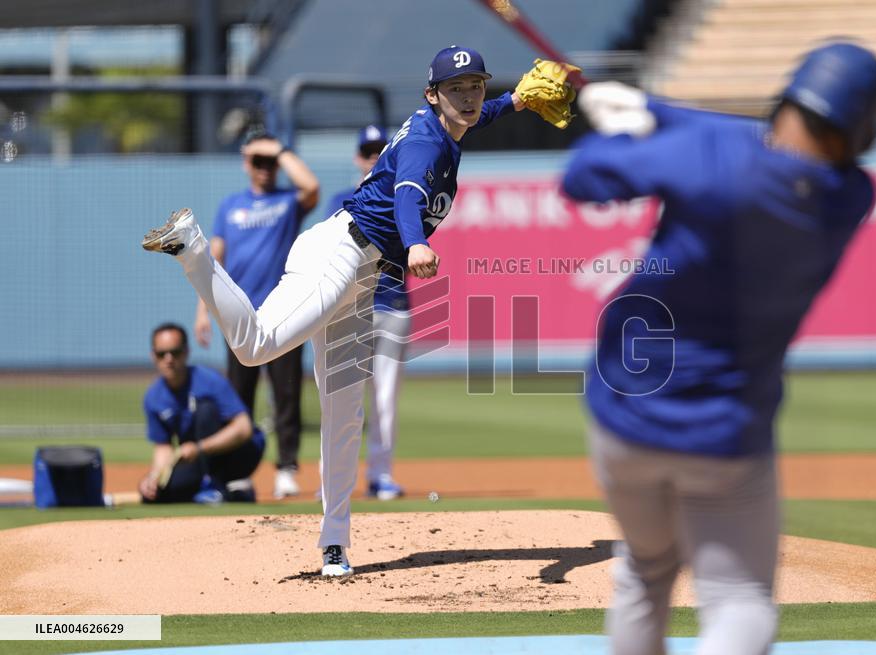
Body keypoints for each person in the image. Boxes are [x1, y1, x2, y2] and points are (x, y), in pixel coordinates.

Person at [142, 47, 577, 577]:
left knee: (346, 413)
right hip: (337, 254)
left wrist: (515, 102)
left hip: (362, 276)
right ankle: (192, 247)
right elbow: (407, 195)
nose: (468, 97)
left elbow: (477, 116)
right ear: (431, 94)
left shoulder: (449, 123)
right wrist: (415, 243)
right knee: (255, 347)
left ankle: (334, 542)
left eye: (475, 85)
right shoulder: (425, 143)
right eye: (456, 88)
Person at [561, 42, 876, 655]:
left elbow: (582, 177)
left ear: (787, 99)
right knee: (739, 599)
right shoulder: (851, 196)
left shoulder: (705, 161)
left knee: (644, 571)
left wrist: (621, 132)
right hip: (727, 433)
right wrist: (654, 107)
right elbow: (752, 143)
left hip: (624, 418)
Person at [194, 130, 319, 501]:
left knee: (286, 394)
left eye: (270, 162)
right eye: (257, 160)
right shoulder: (230, 206)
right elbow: (214, 259)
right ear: (246, 163)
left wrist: (279, 150)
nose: (265, 167)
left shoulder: (288, 201)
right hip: (239, 315)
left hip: (284, 311)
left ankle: (286, 469)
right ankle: (240, 472)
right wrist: (202, 311)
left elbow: (311, 186)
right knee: (238, 399)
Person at [328, 125, 410, 501]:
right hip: (349, 310)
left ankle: (381, 475)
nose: (374, 157)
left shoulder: (405, 195)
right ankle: (332, 479)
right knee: (341, 397)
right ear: (357, 158)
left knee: (384, 398)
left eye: (381, 150)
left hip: (392, 305)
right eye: (368, 151)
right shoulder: (341, 201)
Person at [138, 323, 266, 504]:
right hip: (198, 457)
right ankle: (235, 492)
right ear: (153, 355)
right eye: (161, 354)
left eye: (175, 352)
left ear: (186, 352)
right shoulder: (154, 396)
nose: (169, 359)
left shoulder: (209, 380)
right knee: (158, 495)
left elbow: (244, 428)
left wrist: (199, 448)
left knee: (205, 409)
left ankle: (215, 484)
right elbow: (163, 447)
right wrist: (154, 476)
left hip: (239, 452)